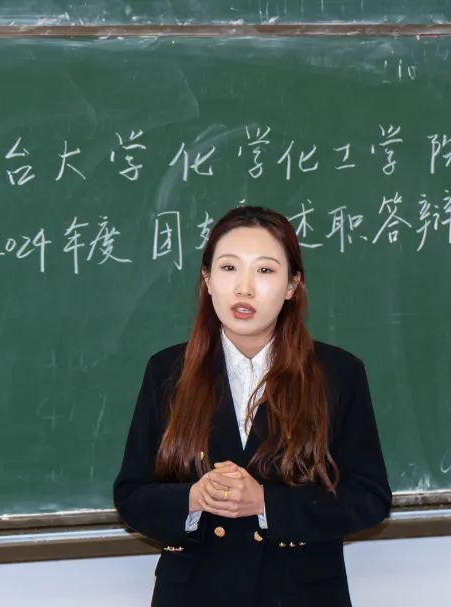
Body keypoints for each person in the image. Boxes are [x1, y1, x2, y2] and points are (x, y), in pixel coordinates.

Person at [115, 206, 391, 607]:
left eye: (264, 270)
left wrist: (265, 503)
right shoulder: (167, 370)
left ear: (292, 285)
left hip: (300, 594)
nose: (244, 288)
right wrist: (195, 498)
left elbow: (369, 497)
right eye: (229, 268)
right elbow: (131, 496)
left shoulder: (337, 373)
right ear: (208, 280)